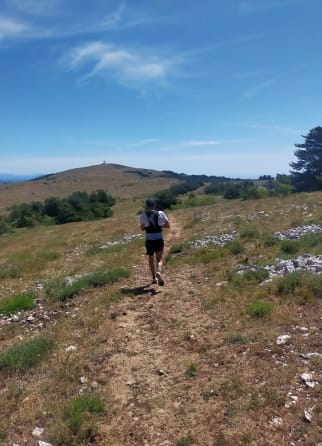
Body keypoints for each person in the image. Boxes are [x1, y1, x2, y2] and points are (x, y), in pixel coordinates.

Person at [139, 198, 170, 285]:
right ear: (155, 205)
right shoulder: (160, 213)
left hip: (149, 240)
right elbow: (168, 225)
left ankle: (153, 278)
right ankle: (159, 272)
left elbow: (141, 228)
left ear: (146, 206)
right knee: (159, 259)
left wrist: (147, 226)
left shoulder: (143, 215)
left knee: (151, 259)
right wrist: (160, 225)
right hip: (159, 239)